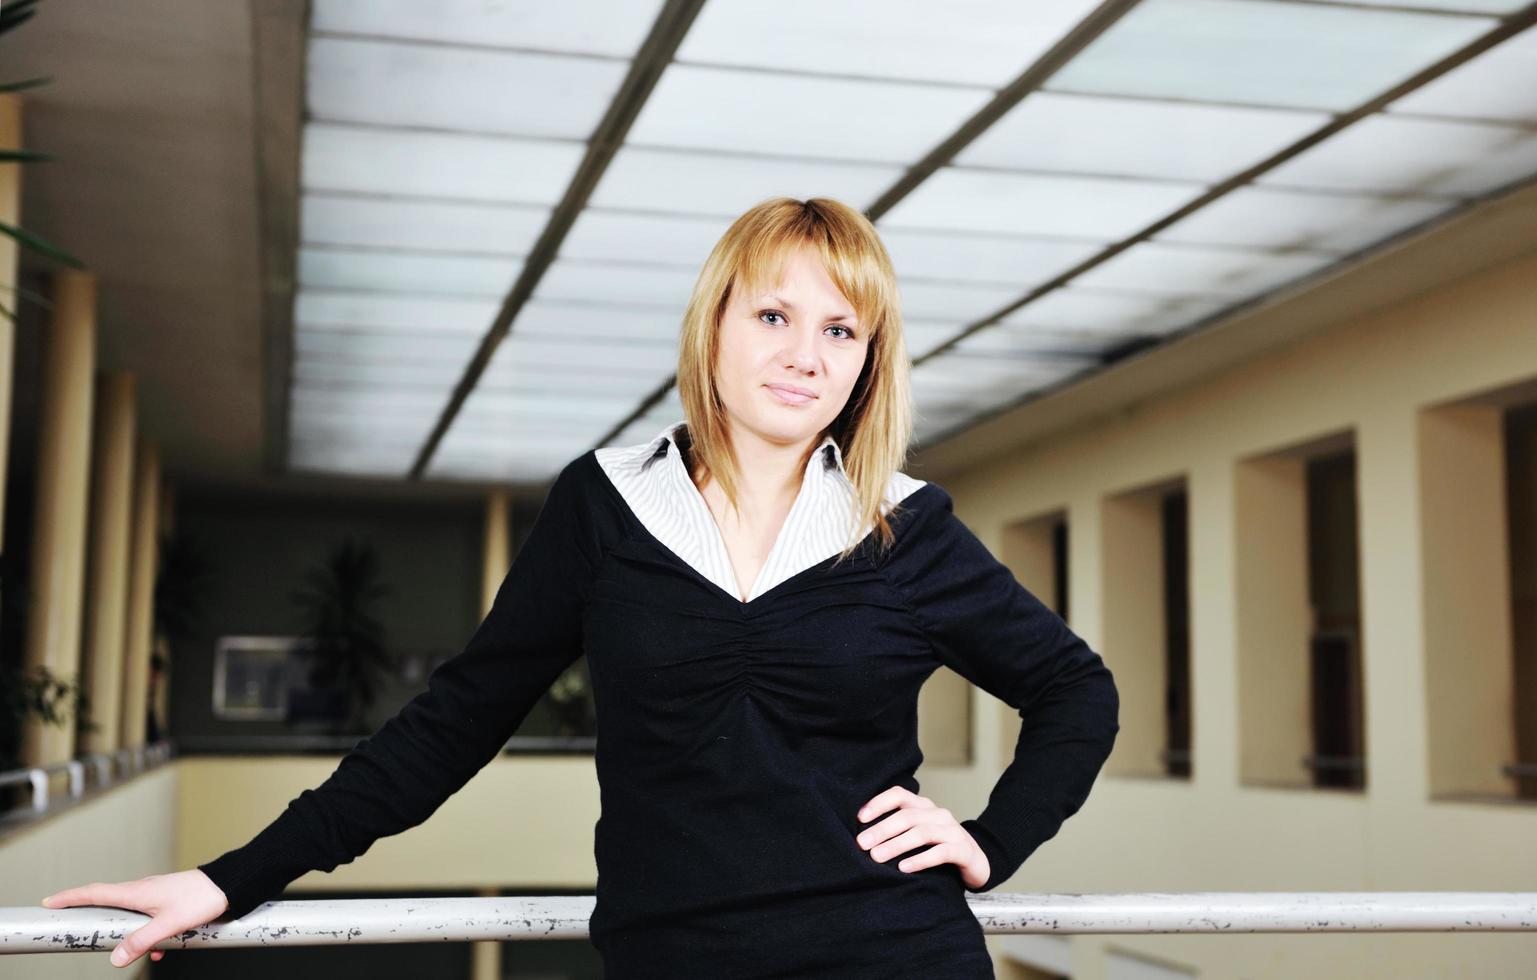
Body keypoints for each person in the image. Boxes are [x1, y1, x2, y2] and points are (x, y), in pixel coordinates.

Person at [40, 196, 1120, 976]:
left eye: (841, 329)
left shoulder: (905, 524)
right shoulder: (606, 505)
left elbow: (1077, 690)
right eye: (774, 316)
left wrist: (991, 835)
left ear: (867, 363)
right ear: (715, 324)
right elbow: (453, 722)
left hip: (892, 953)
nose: (805, 353)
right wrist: (234, 877)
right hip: (674, 960)